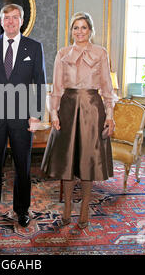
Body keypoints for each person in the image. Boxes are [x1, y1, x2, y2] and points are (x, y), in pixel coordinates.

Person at [41, 12, 117, 229]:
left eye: (84, 27)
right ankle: (66, 209)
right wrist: (53, 113)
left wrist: (110, 116)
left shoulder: (101, 53)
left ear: (90, 30)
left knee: (87, 161)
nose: (80, 31)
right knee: (67, 160)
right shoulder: (63, 53)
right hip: (67, 108)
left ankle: (84, 209)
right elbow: (56, 88)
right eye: (76, 27)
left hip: (93, 110)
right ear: (71, 31)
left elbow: (107, 88)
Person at [0, 4, 47, 227]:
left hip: (22, 118)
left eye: (15, 17)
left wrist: (36, 115)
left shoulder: (34, 47)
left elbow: (40, 83)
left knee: (22, 165)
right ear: (1, 21)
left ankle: (22, 209)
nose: (11, 22)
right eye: (6, 18)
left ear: (22, 20)